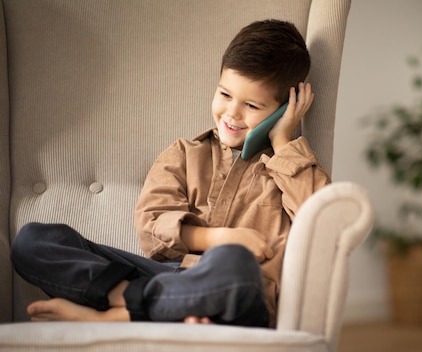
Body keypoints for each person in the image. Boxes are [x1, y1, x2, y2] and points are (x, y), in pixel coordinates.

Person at [10, 19, 331, 328]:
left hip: (235, 292)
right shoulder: (184, 154)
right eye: (225, 95)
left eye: (252, 106)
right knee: (34, 241)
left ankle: (114, 316)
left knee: (236, 265)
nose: (231, 113)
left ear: (282, 109)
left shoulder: (290, 169)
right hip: (162, 277)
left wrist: (282, 141)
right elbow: (152, 228)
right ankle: (152, 304)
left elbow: (320, 222)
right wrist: (223, 237)